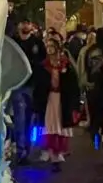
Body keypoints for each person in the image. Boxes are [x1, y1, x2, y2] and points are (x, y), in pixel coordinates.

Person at [33, 34, 79, 171]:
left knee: (61, 125)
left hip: (62, 100)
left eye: (52, 46)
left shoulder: (66, 66)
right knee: (49, 126)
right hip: (49, 100)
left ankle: (58, 153)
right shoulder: (43, 67)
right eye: (48, 47)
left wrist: (75, 104)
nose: (49, 49)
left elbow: (73, 86)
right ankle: (53, 154)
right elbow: (39, 86)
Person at [10, 16, 46, 162]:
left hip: (32, 85)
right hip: (18, 84)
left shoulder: (37, 43)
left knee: (29, 119)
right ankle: (21, 149)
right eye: (23, 22)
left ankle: (27, 147)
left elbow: (42, 62)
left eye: (27, 22)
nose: (25, 25)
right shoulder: (13, 42)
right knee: (19, 117)